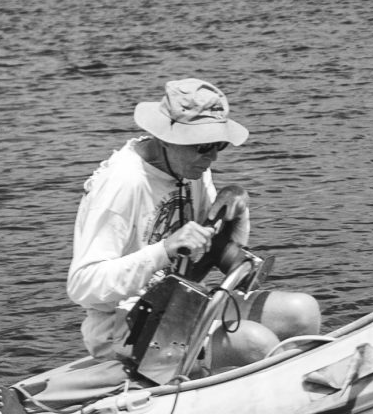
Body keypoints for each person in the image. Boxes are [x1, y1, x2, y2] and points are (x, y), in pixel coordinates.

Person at [66, 77, 251, 359]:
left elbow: (220, 260)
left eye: (219, 145)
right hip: (123, 329)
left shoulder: (192, 168)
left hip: (181, 307)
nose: (212, 157)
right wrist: (163, 250)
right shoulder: (123, 183)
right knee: (254, 341)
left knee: (298, 311)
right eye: (202, 146)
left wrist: (237, 209)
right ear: (166, 139)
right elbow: (83, 286)